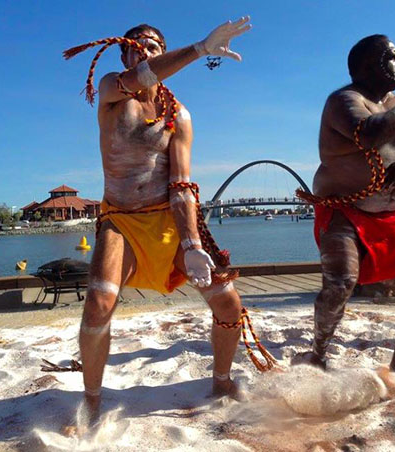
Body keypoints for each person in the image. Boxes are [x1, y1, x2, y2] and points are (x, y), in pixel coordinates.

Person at [63, 18, 256, 420]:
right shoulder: (112, 91)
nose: (144, 49)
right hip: (122, 222)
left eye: (152, 45)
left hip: (169, 221)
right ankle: (93, 399)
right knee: (98, 304)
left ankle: (221, 379)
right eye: (135, 45)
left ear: (162, 50)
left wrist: (192, 245)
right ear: (123, 53)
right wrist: (200, 48)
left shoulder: (179, 115)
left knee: (229, 304)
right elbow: (142, 76)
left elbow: (182, 185)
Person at [293, 35, 395, 371]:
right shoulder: (343, 100)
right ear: (366, 67)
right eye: (391, 57)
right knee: (340, 283)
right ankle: (317, 353)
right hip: (344, 211)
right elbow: (370, 133)